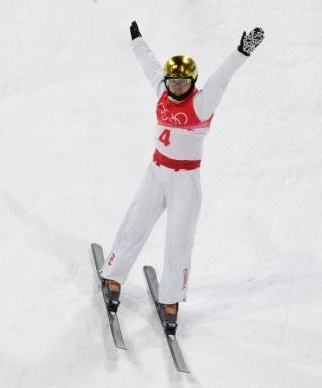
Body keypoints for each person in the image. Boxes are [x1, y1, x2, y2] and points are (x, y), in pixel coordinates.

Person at [101, 21, 264, 326]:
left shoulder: (202, 103)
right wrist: (137, 41)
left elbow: (222, 78)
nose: (176, 87)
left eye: (182, 82)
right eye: (173, 81)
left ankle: (171, 297)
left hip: (185, 181)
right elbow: (148, 64)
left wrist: (241, 52)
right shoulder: (162, 90)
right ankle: (113, 274)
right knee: (136, 223)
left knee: (180, 239)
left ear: (192, 81)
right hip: (156, 172)